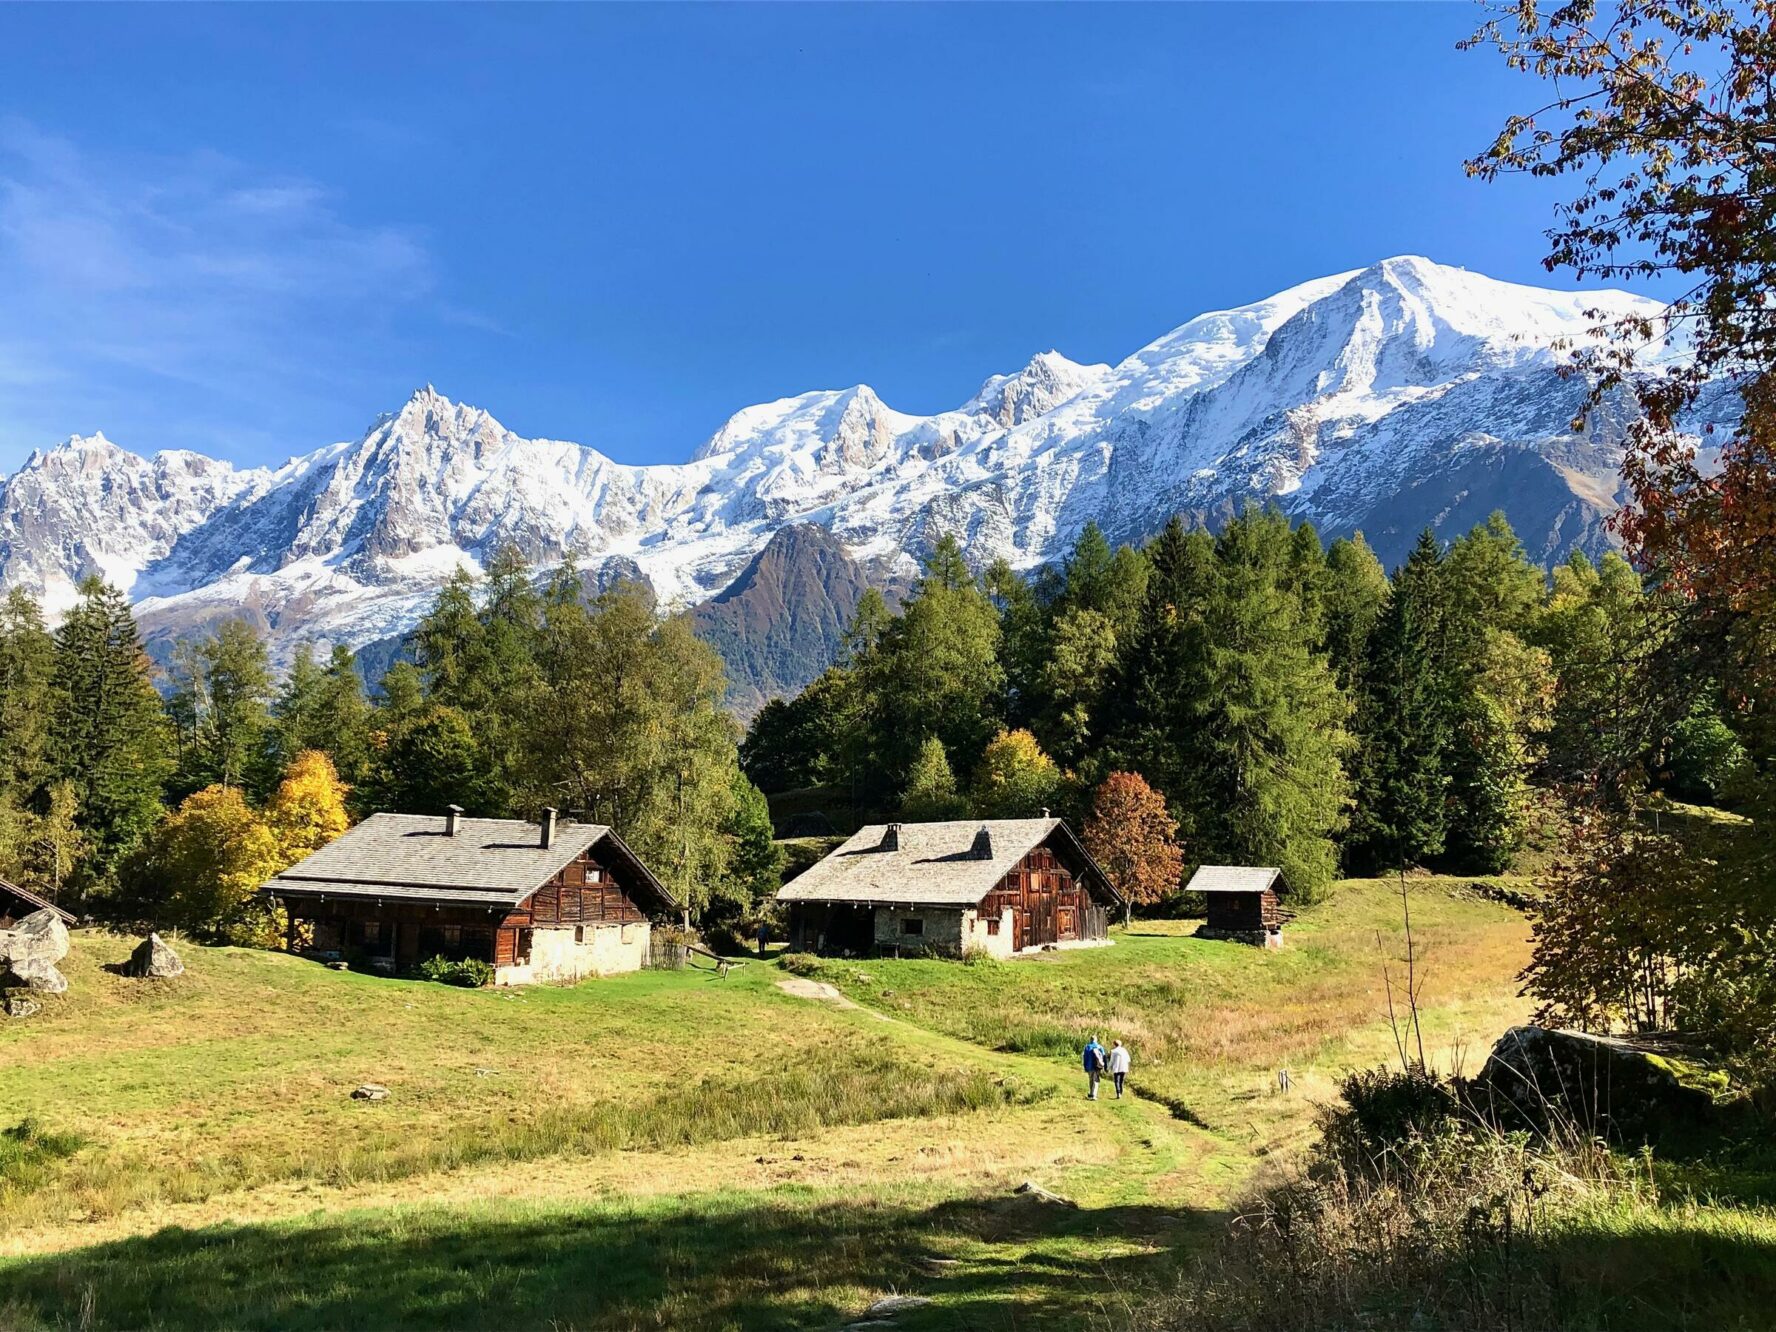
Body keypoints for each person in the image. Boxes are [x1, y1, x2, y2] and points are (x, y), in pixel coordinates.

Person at [1082, 1035, 1107, 1100]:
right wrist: (1105, 1066)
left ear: (1090, 1040)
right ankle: (1094, 1095)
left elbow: (1085, 1057)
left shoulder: (1087, 1047)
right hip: (1097, 1066)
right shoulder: (1100, 1047)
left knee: (1091, 1080)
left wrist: (1085, 1066)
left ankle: (1091, 1093)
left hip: (1089, 1066)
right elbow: (1104, 1057)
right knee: (1096, 1080)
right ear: (1096, 1040)